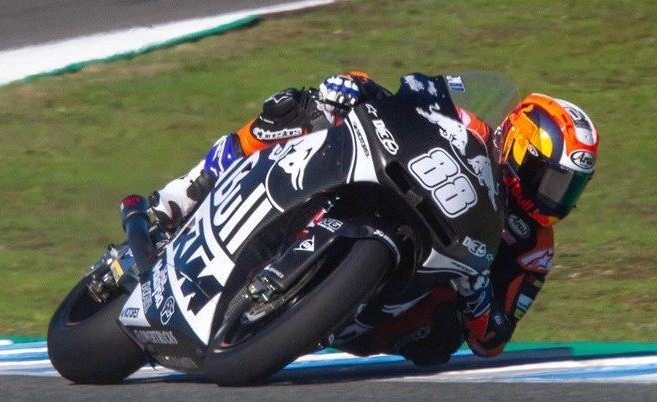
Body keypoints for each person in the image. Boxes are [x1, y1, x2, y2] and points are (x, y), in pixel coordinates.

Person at [145, 71, 600, 366]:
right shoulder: (473, 127)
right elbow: (413, 95)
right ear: (518, 144)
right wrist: (356, 88)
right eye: (550, 179)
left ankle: (320, 315)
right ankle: (190, 189)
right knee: (300, 108)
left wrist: (478, 294)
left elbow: (492, 341)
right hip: (394, 188)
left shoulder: (534, 246)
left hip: (409, 291)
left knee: (439, 340)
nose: (554, 196)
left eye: (569, 188)